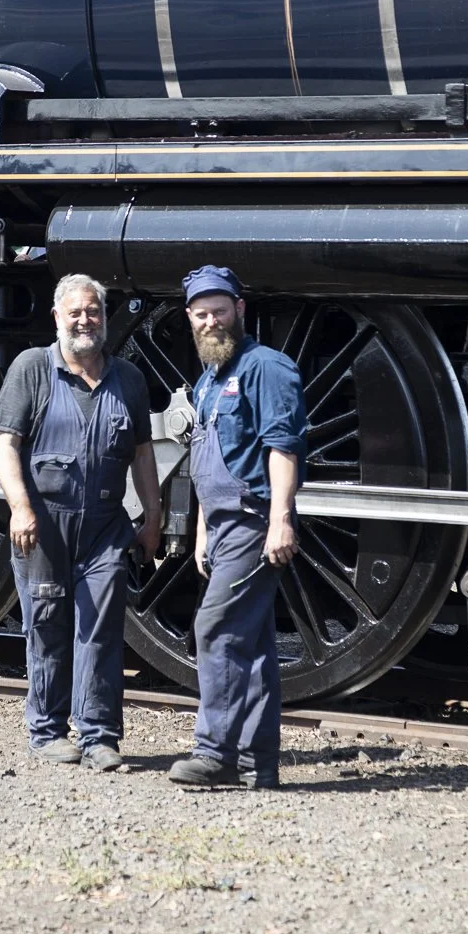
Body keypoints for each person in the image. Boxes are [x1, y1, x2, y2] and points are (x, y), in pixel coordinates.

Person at [0, 274, 161, 771]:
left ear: (104, 319)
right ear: (57, 318)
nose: (85, 321)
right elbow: (6, 446)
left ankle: (100, 736)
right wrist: (21, 507)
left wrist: (151, 516)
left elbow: (143, 453)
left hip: (106, 525)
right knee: (47, 626)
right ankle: (46, 731)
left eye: (93, 312)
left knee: (102, 629)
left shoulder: (127, 377)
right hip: (45, 525)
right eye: (75, 313)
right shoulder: (32, 369)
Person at [168, 265, 307, 790]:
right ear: (190, 318)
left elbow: (282, 447)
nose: (211, 321)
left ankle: (215, 752)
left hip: (253, 522)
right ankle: (258, 763)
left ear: (240, 310)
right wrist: (202, 530)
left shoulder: (266, 368)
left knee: (217, 629)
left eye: (219, 311)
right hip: (222, 528)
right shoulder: (208, 380)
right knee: (250, 644)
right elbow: (207, 462)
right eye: (201, 314)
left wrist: (280, 520)